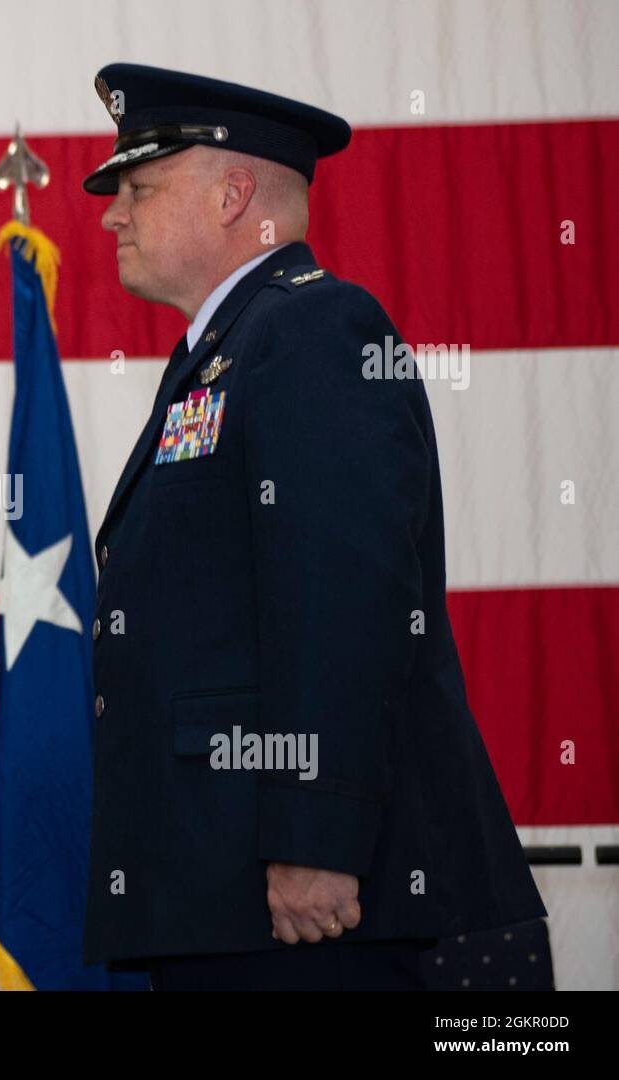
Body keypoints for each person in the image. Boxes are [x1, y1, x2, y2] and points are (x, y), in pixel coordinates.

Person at [80, 63, 545, 991]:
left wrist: (316, 836)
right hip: (229, 896)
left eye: (139, 188)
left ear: (233, 196)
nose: (111, 217)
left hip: (315, 907)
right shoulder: (226, 352)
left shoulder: (314, 328)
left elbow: (344, 599)